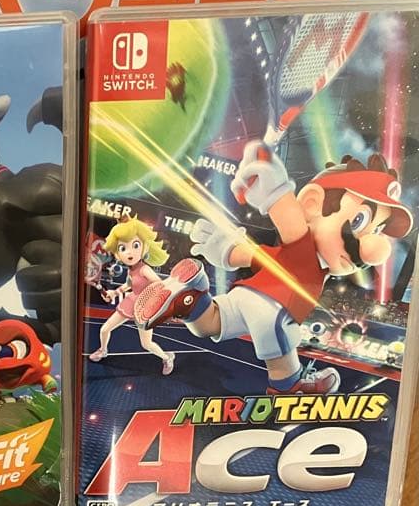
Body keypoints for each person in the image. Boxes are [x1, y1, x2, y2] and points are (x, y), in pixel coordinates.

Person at [137, 146, 413, 394]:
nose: (375, 249)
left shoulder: (305, 263)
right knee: (283, 350)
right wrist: (273, 184)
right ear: (312, 204)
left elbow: (255, 256)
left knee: (210, 323)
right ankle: (289, 388)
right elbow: (288, 215)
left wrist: (226, 250)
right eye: (359, 221)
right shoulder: (303, 247)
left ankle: (191, 298)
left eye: (377, 230)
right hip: (273, 309)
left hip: (246, 295)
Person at [88, 215, 176, 375]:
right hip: (131, 303)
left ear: (144, 247)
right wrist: (115, 292)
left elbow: (160, 285)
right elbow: (128, 284)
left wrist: (151, 302)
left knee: (146, 344)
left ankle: (167, 357)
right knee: (105, 329)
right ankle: (103, 350)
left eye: (135, 245)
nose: (129, 252)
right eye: (122, 248)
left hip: (145, 309)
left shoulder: (145, 269)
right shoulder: (132, 270)